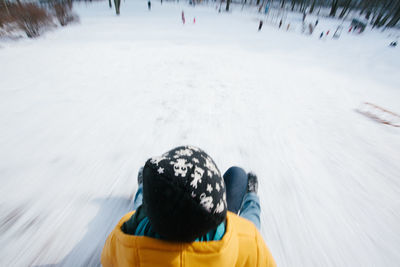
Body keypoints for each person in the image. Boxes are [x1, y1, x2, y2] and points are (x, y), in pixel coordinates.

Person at [101, 146, 276, 266]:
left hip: (151, 227)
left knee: (139, 207)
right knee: (238, 177)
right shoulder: (246, 236)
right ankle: (251, 194)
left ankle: (144, 187)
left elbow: (106, 261)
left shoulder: (124, 236)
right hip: (222, 235)